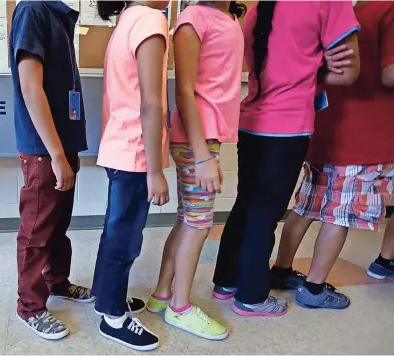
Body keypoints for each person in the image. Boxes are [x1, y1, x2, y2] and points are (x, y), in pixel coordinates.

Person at [212, 0, 361, 317]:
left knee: (247, 204)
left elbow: (271, 63)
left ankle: (226, 282)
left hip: (252, 121)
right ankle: (251, 297)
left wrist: (307, 66)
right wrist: (316, 71)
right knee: (265, 213)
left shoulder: (259, 8)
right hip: (288, 126)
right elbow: (349, 73)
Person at [271, 1, 394, 308]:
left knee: (306, 206)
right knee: (340, 213)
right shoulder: (388, 8)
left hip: (325, 123)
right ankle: (314, 289)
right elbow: (390, 74)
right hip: (366, 133)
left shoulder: (341, 8)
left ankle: (281, 270)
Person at [147, 0, 245, 340]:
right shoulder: (193, 17)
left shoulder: (229, 18)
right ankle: (180, 307)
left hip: (206, 138)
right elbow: (184, 90)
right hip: (196, 139)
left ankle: (162, 296)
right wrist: (203, 155)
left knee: (188, 218)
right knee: (199, 223)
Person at [9, 0, 95, 340]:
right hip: (45, 148)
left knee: (57, 223)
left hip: (61, 143)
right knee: (37, 229)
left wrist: (66, 151)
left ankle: (57, 282)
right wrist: (56, 155)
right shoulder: (32, 9)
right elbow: (31, 86)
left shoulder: (56, 14)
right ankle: (29, 307)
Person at [90, 0, 171, 351]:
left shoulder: (126, 20)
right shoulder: (151, 19)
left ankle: (106, 296)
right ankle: (113, 316)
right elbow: (151, 103)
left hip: (119, 146)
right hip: (136, 152)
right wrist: (155, 170)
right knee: (125, 238)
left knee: (115, 230)